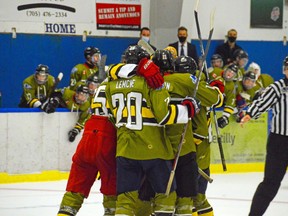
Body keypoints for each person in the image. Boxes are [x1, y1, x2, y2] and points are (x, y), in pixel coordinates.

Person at [106, 47, 200, 216]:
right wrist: (187, 111)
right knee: (166, 194)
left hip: (125, 148)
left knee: (125, 199)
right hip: (154, 149)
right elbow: (163, 116)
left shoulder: (110, 83)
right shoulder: (152, 80)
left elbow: (111, 115)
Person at [57, 79, 117, 216]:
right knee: (112, 191)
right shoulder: (126, 84)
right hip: (108, 138)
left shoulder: (103, 84)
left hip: (88, 135)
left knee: (75, 190)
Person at [240, 56, 288, 216]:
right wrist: (249, 114)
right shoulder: (278, 87)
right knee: (270, 184)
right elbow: (261, 102)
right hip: (279, 143)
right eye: (287, 67)